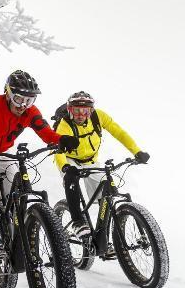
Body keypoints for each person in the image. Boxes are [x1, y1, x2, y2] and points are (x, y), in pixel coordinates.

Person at [0, 70, 79, 261]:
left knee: (17, 190)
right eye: (18, 98)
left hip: (1, 154)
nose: (23, 105)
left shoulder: (30, 113)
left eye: (29, 101)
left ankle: (15, 231)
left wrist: (62, 139)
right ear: (7, 93)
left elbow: (45, 132)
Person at [54, 91, 150, 239]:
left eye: (85, 111)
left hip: (91, 160)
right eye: (76, 111)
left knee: (106, 191)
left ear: (91, 110)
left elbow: (119, 132)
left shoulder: (98, 116)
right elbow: (58, 149)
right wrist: (65, 167)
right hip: (69, 159)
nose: (81, 115)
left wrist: (137, 151)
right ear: (69, 110)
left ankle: (102, 237)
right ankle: (78, 221)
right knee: (70, 180)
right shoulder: (64, 124)